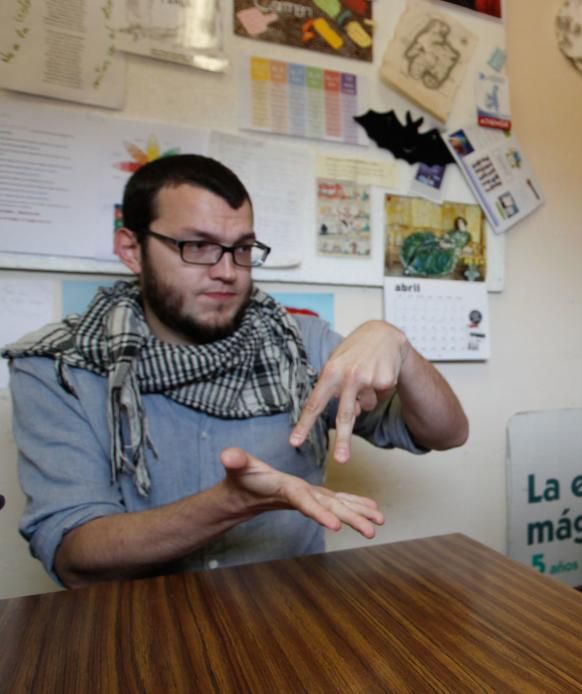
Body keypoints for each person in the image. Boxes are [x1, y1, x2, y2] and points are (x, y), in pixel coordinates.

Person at [4, 155, 468, 589]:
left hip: (294, 620)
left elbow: (446, 433)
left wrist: (399, 345)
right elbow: (73, 551)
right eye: (197, 246)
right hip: (137, 636)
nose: (227, 271)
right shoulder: (59, 366)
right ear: (131, 249)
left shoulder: (301, 343)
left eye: (242, 249)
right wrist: (230, 504)